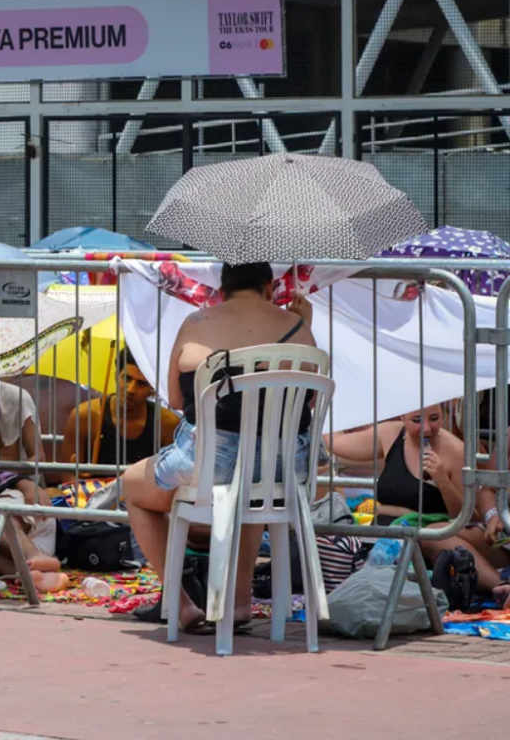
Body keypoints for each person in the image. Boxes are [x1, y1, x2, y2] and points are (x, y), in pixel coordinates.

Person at [120, 262, 317, 634]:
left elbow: (176, 399)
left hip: (214, 462)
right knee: (250, 487)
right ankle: (240, 602)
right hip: (285, 466)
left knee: (133, 487)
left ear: (222, 290)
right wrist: (305, 322)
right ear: (270, 287)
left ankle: (180, 605)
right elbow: (307, 402)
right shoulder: (298, 327)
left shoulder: (197, 323)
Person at [325, 406, 510, 607]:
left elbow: (467, 516)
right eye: (416, 420)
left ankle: (502, 588)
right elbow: (337, 442)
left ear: (444, 416)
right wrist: (324, 401)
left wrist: (442, 481)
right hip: (394, 536)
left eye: (434, 418)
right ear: (402, 416)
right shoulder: (390, 434)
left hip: (438, 535)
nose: (426, 428)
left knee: (433, 534)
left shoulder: (455, 451)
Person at [60, 346, 181, 478]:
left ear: (153, 389)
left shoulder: (167, 424)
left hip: (142, 496)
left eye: (141, 384)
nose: (131, 389)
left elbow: (171, 479)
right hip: (90, 495)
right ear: (116, 376)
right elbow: (68, 476)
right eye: (127, 379)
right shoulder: (85, 415)